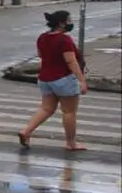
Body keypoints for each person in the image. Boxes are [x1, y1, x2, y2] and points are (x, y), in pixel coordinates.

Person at [18, 10, 88, 152]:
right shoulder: (64, 40)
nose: (70, 23)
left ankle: (26, 131)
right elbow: (71, 61)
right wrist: (82, 80)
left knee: (46, 108)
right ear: (61, 23)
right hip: (64, 79)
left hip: (45, 79)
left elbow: (41, 55)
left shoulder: (43, 37)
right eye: (68, 20)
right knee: (69, 112)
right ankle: (71, 143)